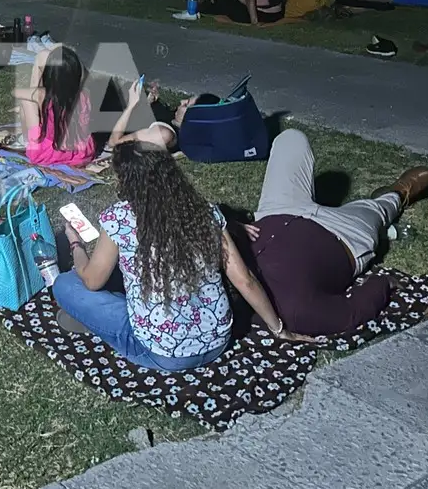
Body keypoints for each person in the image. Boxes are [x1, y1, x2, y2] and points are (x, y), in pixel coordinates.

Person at [53, 145, 308, 370]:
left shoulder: (120, 218)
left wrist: (75, 243)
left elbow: (92, 281)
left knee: (66, 285)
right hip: (217, 341)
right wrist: (279, 329)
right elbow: (245, 281)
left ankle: (98, 324)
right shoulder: (204, 213)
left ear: (127, 181)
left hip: (162, 353)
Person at [241, 129, 428, 336]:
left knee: (291, 139)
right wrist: (383, 283)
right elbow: (350, 313)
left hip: (278, 211)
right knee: (377, 211)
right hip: (342, 234)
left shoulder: (217, 265)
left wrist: (235, 226)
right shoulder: (296, 314)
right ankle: (397, 194)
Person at [13, 44, 97, 167]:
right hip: (82, 152)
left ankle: (28, 141)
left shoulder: (42, 95)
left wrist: (38, 68)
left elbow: (17, 92)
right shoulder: (84, 95)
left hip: (47, 154)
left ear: (49, 74)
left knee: (26, 103)